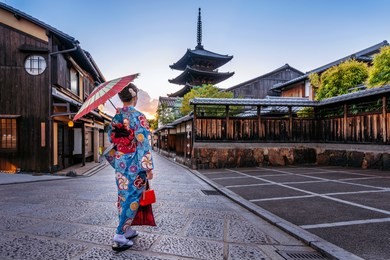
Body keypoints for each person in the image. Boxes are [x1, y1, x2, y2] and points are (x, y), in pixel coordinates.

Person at [104, 83, 154, 251]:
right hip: (134, 163)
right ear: (135, 97)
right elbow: (143, 142)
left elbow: (112, 140)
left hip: (121, 162)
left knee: (123, 195)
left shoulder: (115, 117)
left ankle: (127, 229)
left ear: (121, 98)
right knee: (133, 197)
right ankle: (119, 234)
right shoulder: (138, 116)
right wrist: (147, 167)